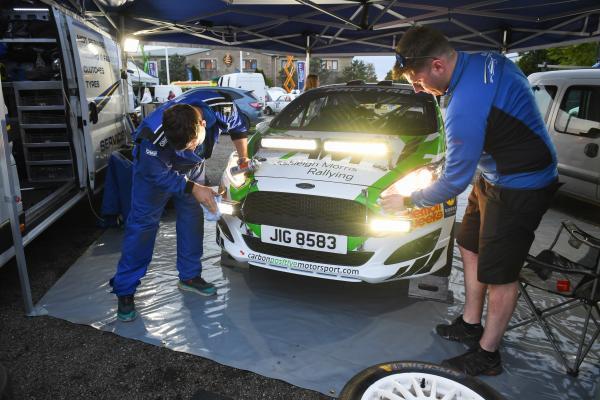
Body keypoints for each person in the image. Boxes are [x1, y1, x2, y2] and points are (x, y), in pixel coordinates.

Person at [382, 25, 559, 376]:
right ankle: (469, 323)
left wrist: (407, 201)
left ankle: (487, 353)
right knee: (469, 245)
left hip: (522, 184)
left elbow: (453, 182)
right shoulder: (485, 61)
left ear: (436, 65)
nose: (417, 88)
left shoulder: (464, 105)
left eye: (417, 79)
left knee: (500, 273)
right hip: (494, 173)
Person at [110, 90, 249, 322]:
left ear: (203, 123)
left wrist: (243, 157)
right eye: (181, 148)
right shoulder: (151, 136)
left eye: (191, 145)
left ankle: (190, 276)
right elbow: (156, 174)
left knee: (192, 219)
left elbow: (239, 127)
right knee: (142, 228)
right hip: (154, 177)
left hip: (193, 169)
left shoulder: (222, 108)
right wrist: (194, 188)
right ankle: (125, 291)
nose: (187, 151)